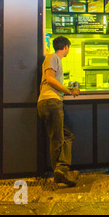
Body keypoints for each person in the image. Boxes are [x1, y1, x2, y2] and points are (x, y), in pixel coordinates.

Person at [37, 36, 80, 187]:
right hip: (50, 102)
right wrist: (68, 91)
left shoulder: (55, 59)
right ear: (66, 47)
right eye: (69, 48)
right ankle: (60, 172)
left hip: (52, 102)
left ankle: (62, 170)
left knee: (66, 135)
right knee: (57, 138)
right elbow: (50, 79)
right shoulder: (53, 57)